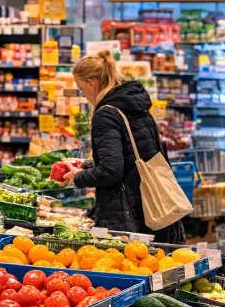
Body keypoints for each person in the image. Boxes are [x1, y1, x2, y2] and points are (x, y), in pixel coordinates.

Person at [64, 50, 185, 244]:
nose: (83, 95)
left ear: (92, 83)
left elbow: (111, 171)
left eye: (81, 88)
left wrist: (78, 177)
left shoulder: (105, 114)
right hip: (151, 209)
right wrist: (86, 165)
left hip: (127, 216)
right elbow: (131, 158)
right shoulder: (137, 106)